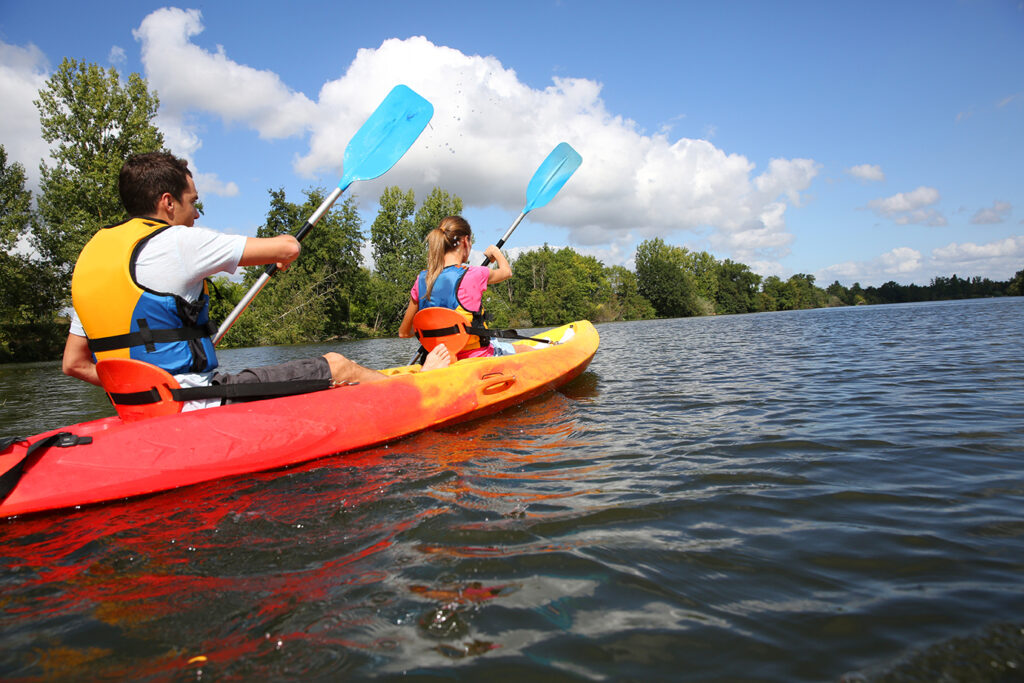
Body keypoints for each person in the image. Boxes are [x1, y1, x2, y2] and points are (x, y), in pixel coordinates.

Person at [63, 152, 449, 411]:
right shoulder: (177, 241)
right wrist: (283, 252)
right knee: (337, 365)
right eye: (192, 201)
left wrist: (146, 392)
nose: (196, 213)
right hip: (194, 402)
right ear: (168, 202)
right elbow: (286, 248)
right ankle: (419, 390)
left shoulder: (92, 259)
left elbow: (74, 364)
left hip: (140, 410)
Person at [399, 215, 527, 360]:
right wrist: (496, 252)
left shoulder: (421, 279)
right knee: (527, 349)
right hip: (478, 358)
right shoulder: (475, 274)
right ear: (465, 241)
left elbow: (404, 333)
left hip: (440, 361)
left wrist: (438, 333)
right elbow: (506, 272)